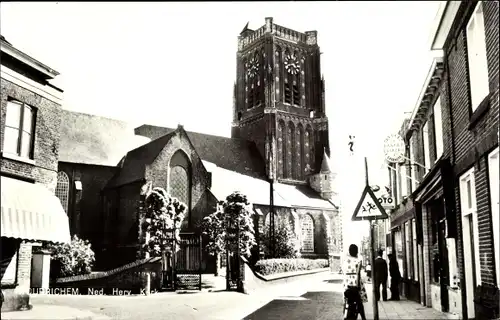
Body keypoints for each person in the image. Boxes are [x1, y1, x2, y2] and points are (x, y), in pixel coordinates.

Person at [343, 244, 367, 320]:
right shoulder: (358, 261)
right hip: (355, 282)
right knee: (359, 301)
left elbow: (344, 272)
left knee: (347, 300)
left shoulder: (345, 261)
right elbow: (358, 274)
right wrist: (358, 285)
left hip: (347, 282)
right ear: (356, 251)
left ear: (349, 252)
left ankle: (345, 315)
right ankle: (363, 317)